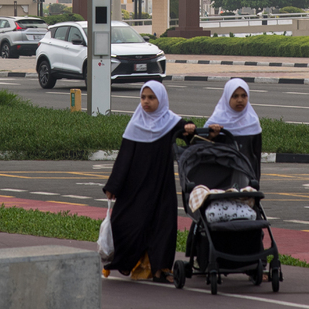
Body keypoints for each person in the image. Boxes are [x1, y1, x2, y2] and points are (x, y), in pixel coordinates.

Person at [103, 80, 195, 283]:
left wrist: (191, 128)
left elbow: (189, 134)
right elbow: (124, 157)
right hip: (135, 185)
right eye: (143, 97)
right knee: (126, 222)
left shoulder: (170, 121)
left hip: (161, 183)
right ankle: (127, 263)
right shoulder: (135, 123)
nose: (146, 102)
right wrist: (113, 186)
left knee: (163, 224)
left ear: (160, 99)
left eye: (151, 98)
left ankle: (160, 269)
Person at [205, 78, 262, 179]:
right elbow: (201, 150)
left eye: (243, 96)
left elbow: (256, 157)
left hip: (247, 178)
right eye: (235, 96)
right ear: (227, 97)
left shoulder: (252, 122)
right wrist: (210, 136)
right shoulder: (216, 122)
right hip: (220, 179)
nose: (240, 100)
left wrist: (255, 183)